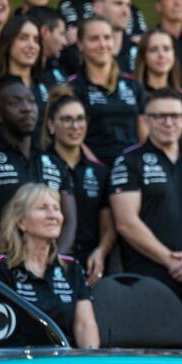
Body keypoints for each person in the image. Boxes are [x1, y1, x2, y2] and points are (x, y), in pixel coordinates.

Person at [109, 88, 182, 346]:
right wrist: (170, 261)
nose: (168, 122)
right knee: (154, 352)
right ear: (146, 120)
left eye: (175, 116)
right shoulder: (129, 161)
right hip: (150, 276)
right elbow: (126, 222)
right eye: (160, 116)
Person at [0, 183, 99, 347]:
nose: (53, 216)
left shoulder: (72, 268)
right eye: (42, 208)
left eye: (56, 208)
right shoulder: (0, 270)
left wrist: (89, 363)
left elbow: (85, 326)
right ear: (21, 222)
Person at [0, 80, 76, 253]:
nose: (27, 108)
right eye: (14, 103)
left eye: (31, 101)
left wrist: (53, 260)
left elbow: (70, 220)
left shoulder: (53, 161)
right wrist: (9, 255)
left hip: (47, 267)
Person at [43, 87, 114, 284]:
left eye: (80, 119)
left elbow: (109, 226)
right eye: (67, 119)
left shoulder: (100, 172)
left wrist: (101, 253)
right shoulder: (38, 165)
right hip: (48, 263)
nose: (75, 126)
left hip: (91, 265)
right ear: (50, 125)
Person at [68, 16, 146, 166]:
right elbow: (72, 140)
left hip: (132, 167)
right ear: (80, 44)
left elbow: (144, 135)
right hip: (93, 168)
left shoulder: (133, 85)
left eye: (107, 38)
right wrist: (98, 168)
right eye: (94, 39)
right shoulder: (73, 88)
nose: (102, 44)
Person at [0, 16, 55, 145]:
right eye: (23, 38)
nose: (31, 45)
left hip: (44, 162)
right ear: (8, 42)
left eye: (36, 39)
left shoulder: (47, 86)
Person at [133, 28, 182, 114]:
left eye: (166, 49)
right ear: (143, 56)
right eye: (153, 50)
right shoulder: (132, 96)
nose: (161, 55)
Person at [26, 6, 69, 85]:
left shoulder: (56, 65)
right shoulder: (26, 73)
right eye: (61, 34)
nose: (65, 43)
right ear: (45, 32)